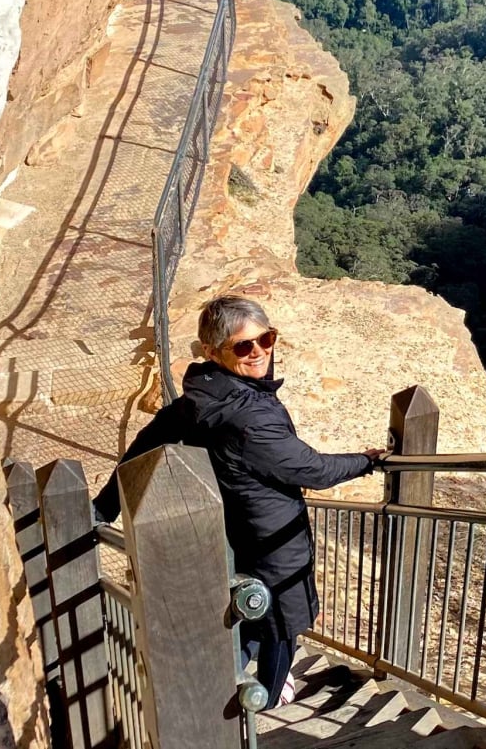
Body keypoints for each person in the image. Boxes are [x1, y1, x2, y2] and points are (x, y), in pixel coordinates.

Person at [92, 294, 384, 709]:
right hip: (271, 534)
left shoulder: (205, 395)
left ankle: (219, 688)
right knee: (284, 618)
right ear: (212, 351)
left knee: (248, 611)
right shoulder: (248, 415)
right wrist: (367, 462)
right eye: (244, 346)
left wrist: (105, 507)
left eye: (266, 339)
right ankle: (265, 698)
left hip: (232, 529)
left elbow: (149, 439)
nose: (260, 352)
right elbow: (311, 471)